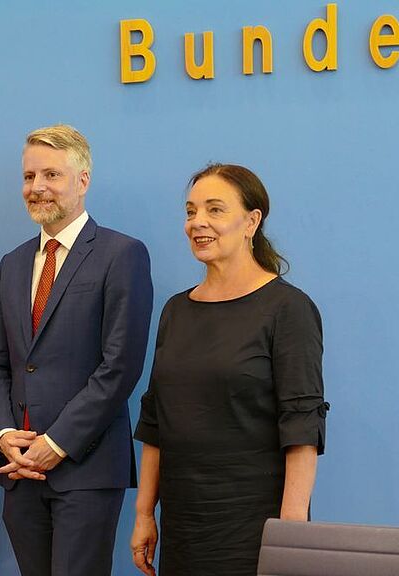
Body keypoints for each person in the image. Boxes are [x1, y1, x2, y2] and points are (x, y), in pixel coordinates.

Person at [130, 164, 329, 576]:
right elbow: (155, 419)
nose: (197, 222)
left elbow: (302, 424)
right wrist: (144, 513)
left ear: (251, 221)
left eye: (215, 210)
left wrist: (291, 530)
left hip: (255, 525)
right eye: (190, 211)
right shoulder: (176, 310)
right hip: (184, 524)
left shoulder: (288, 309)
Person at [0, 125, 153, 576]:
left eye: (51, 175)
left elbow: (120, 367)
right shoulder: (12, 264)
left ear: (83, 180)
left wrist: (57, 443)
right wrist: (3, 437)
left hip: (86, 468)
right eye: (29, 176)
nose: (37, 188)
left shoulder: (122, 254)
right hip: (19, 473)